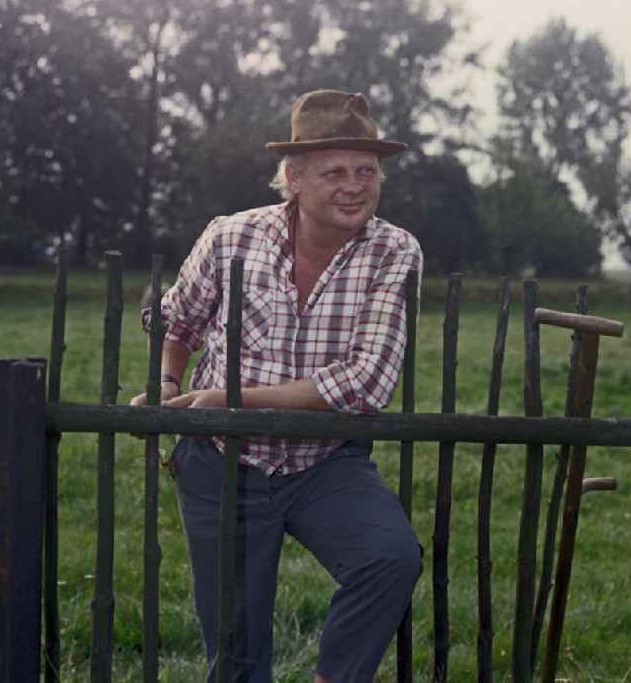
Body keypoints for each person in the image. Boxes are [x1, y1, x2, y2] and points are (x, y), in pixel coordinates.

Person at [130, 89, 423, 683]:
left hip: (326, 462)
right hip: (222, 463)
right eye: (334, 171)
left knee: (390, 558)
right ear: (293, 178)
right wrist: (168, 380)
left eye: (366, 171)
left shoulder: (395, 251)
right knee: (236, 655)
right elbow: (177, 319)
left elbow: (367, 382)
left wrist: (229, 402)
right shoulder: (230, 237)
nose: (354, 185)